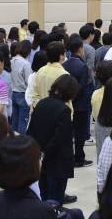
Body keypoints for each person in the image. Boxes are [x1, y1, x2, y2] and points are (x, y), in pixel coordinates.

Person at [27, 75, 79, 205]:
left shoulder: (40, 104)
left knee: (44, 198)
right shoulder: (64, 110)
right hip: (58, 163)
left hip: (41, 162)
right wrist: (44, 153)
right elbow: (58, 139)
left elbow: (31, 130)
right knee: (55, 202)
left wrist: (38, 154)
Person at [63, 39, 93, 168]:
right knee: (80, 133)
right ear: (80, 50)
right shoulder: (83, 66)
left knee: (67, 132)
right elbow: (81, 86)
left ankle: (68, 156)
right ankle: (79, 158)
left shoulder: (64, 65)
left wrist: (68, 98)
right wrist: (73, 98)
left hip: (66, 103)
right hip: (80, 104)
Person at [32, 41, 69, 107]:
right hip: (58, 114)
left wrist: (41, 108)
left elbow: (35, 95)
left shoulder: (40, 71)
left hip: (42, 112)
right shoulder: (64, 74)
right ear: (61, 56)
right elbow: (67, 101)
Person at [9, 40, 33, 133]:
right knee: (23, 123)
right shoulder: (26, 64)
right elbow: (29, 82)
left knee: (14, 122)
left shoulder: (11, 61)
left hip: (13, 94)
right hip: (23, 95)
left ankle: (13, 142)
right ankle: (21, 144)